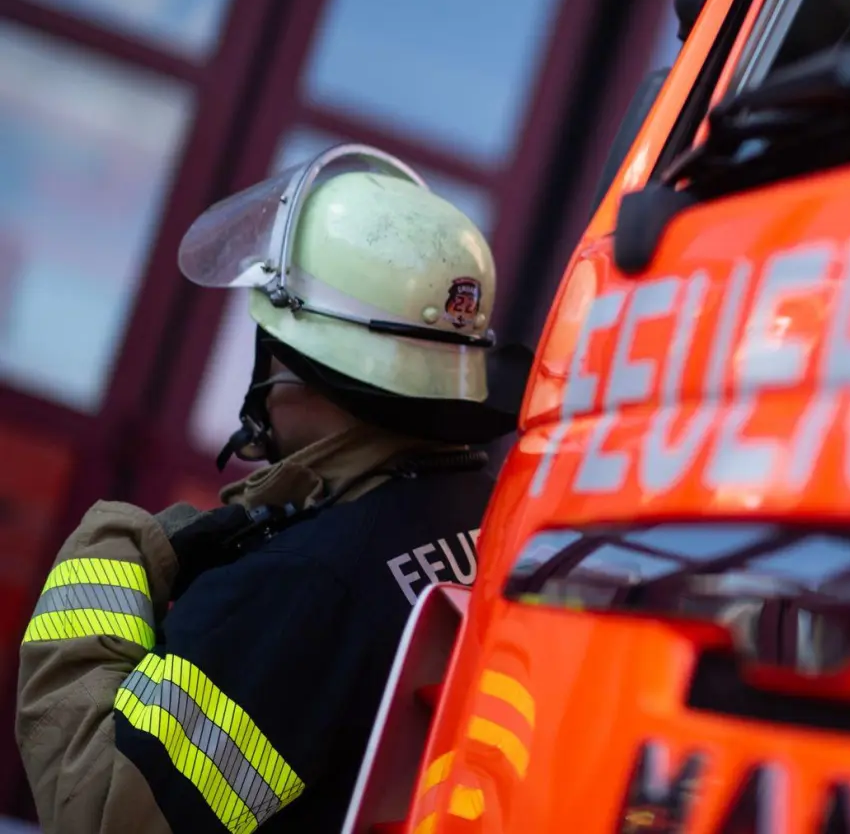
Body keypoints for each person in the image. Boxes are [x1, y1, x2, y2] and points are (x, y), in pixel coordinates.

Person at [14, 145, 532, 834]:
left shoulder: (302, 584)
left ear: (304, 370)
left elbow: (103, 813)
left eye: (268, 344)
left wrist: (107, 546)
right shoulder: (491, 513)